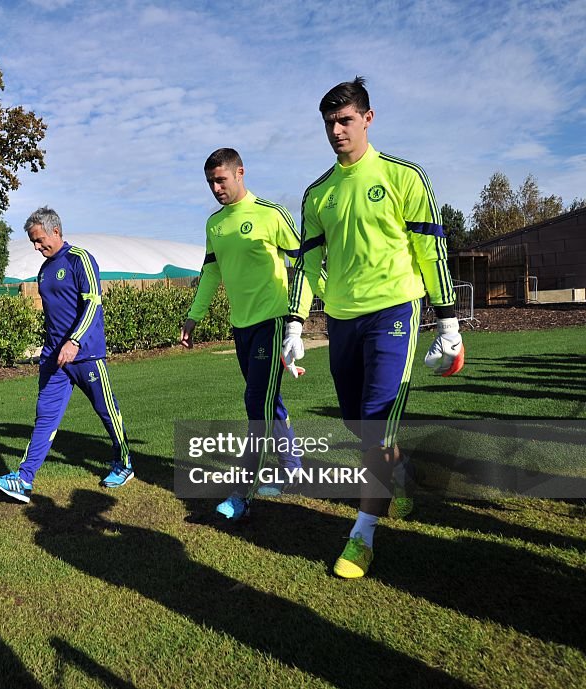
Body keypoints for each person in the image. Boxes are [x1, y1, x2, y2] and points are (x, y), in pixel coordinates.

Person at [284, 77, 464, 578]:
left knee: (378, 425)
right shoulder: (318, 193)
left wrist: (448, 323)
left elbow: (432, 251)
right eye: (329, 123)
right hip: (341, 319)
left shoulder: (406, 177)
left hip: (395, 312)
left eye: (345, 120)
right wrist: (296, 327)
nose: (336, 130)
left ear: (368, 118)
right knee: (359, 427)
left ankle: (362, 534)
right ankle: (399, 479)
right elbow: (307, 266)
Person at [181, 148, 311, 521]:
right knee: (269, 402)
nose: (216, 188)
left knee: (256, 404)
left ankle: (241, 492)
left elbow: (304, 261)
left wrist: (301, 315)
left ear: (240, 173)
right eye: (210, 182)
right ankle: (293, 469)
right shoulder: (215, 225)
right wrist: (194, 317)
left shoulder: (271, 214)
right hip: (242, 328)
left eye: (221, 179)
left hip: (272, 322)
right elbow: (210, 273)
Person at [0, 207, 133, 503]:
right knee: (45, 418)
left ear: (56, 231)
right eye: (33, 243)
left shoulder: (80, 259)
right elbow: (54, 317)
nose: (37, 247)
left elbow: (93, 304)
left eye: (40, 240)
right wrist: (50, 350)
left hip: (86, 354)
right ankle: (24, 480)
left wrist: (75, 341)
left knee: (107, 412)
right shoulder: (44, 271)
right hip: (54, 359)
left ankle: (125, 463)